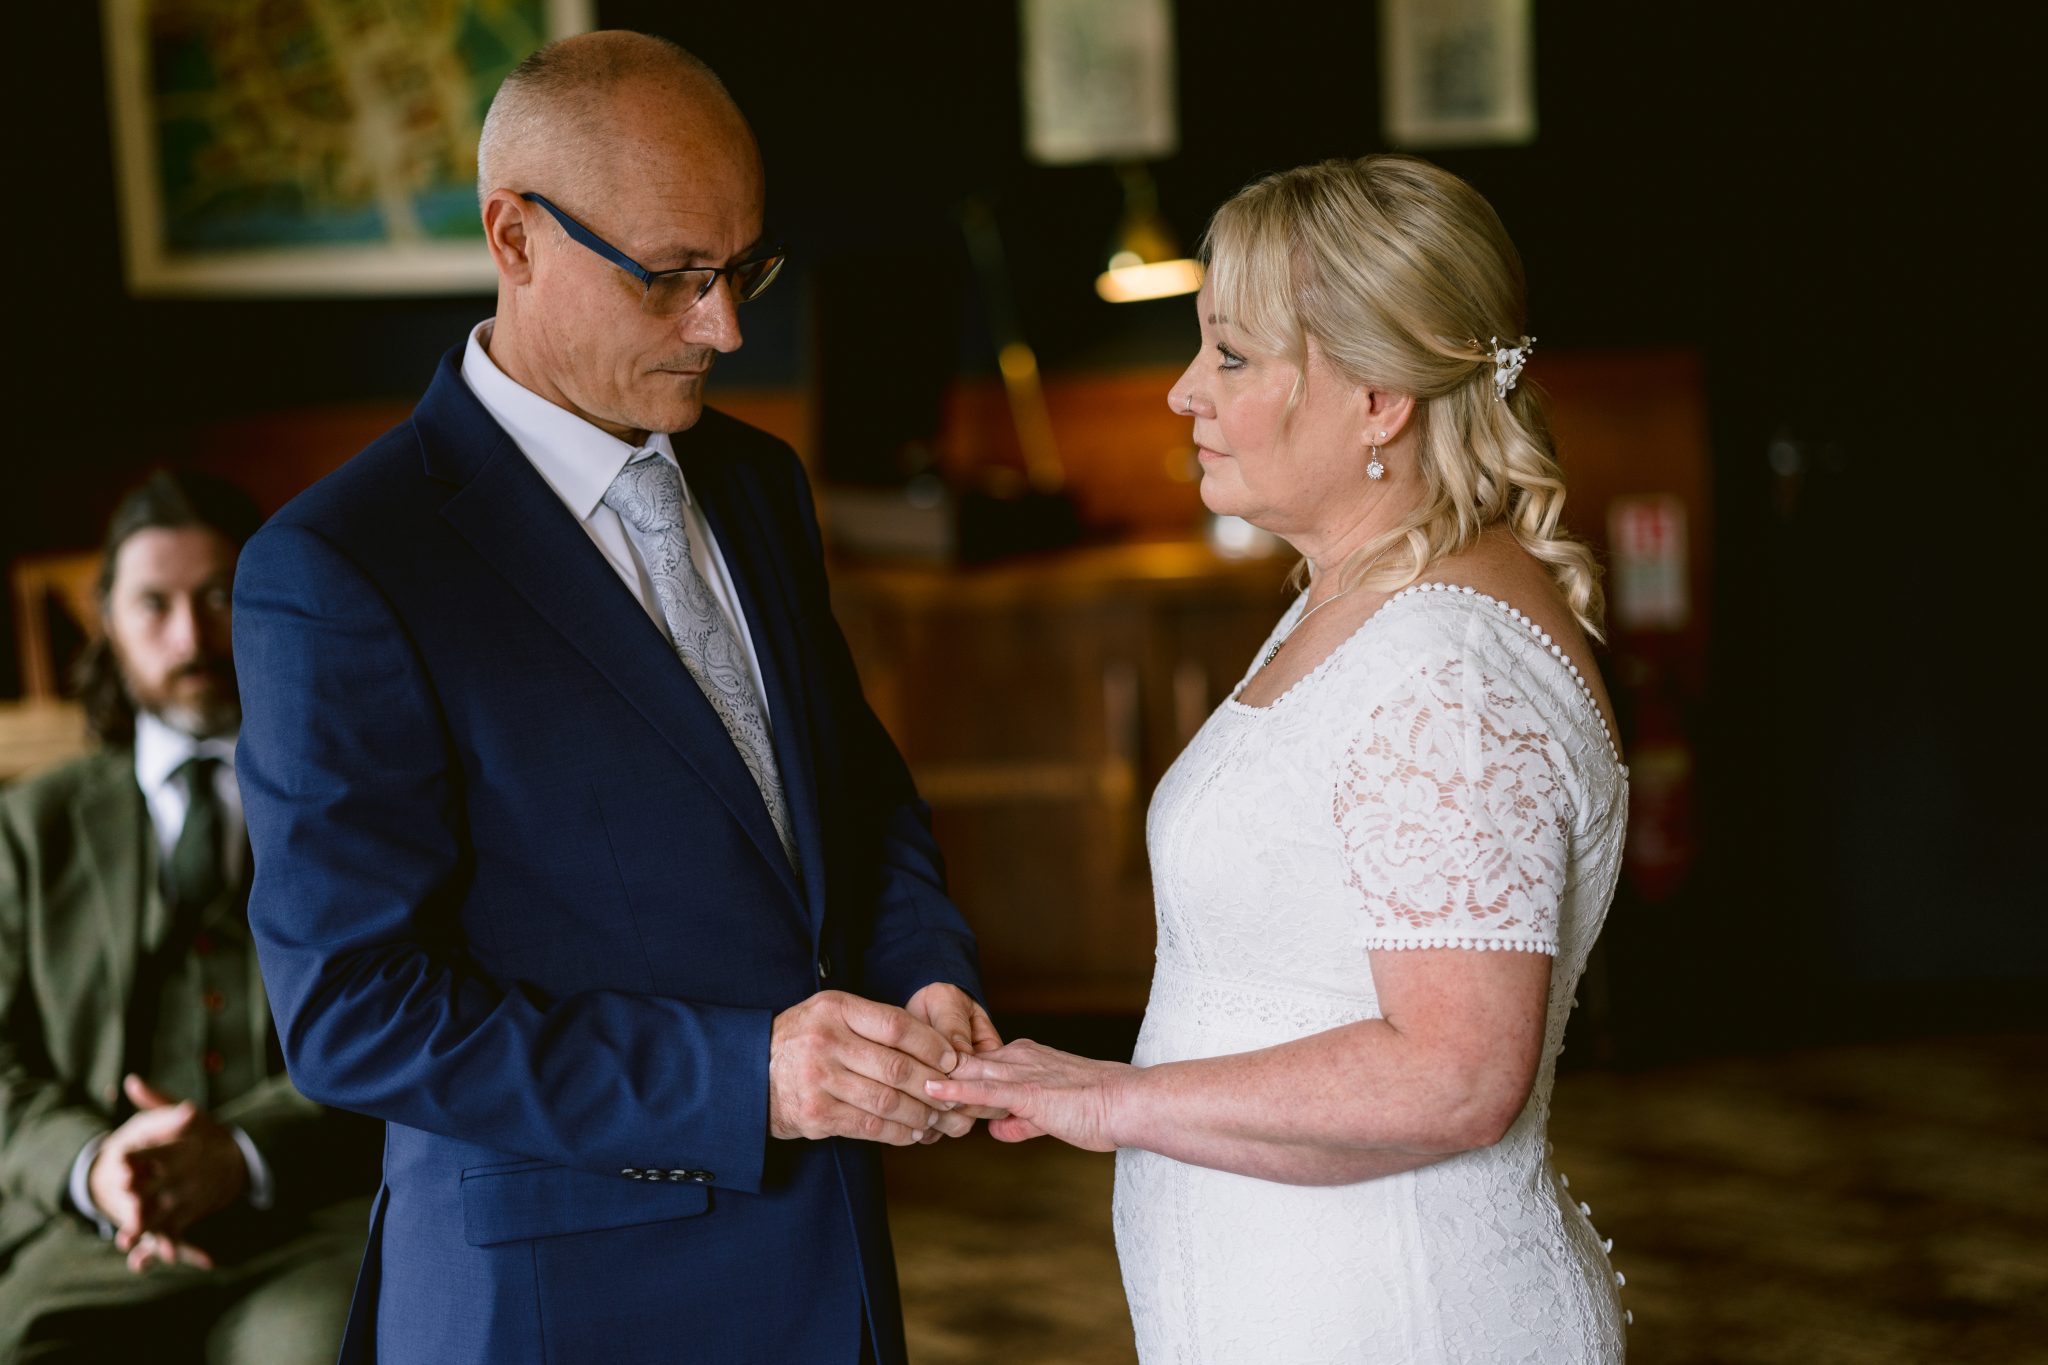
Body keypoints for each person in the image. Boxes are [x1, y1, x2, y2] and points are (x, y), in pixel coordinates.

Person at [231, 31, 996, 1365]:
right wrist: (745, 1077)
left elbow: (852, 794)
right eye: (676, 279)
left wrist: (923, 971)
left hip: (834, 1273)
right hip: (561, 1307)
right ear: (514, 238)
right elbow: (353, 1009)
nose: (729, 328)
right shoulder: (343, 564)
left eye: (744, 268)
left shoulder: (761, 484)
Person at [929, 155, 1631, 1363]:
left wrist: (1108, 1100)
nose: (1182, 395)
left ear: (1376, 397)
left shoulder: (1444, 669)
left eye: (1231, 356)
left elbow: (1454, 1074)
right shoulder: (1353, 591)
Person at [0, 471, 380, 1363]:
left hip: (308, 1221)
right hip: (91, 1239)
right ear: (106, 619)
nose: (190, 635)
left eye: (218, 596)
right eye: (153, 604)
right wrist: (94, 1167)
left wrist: (243, 1151)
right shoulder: (29, 826)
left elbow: (403, 1013)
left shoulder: (359, 797)